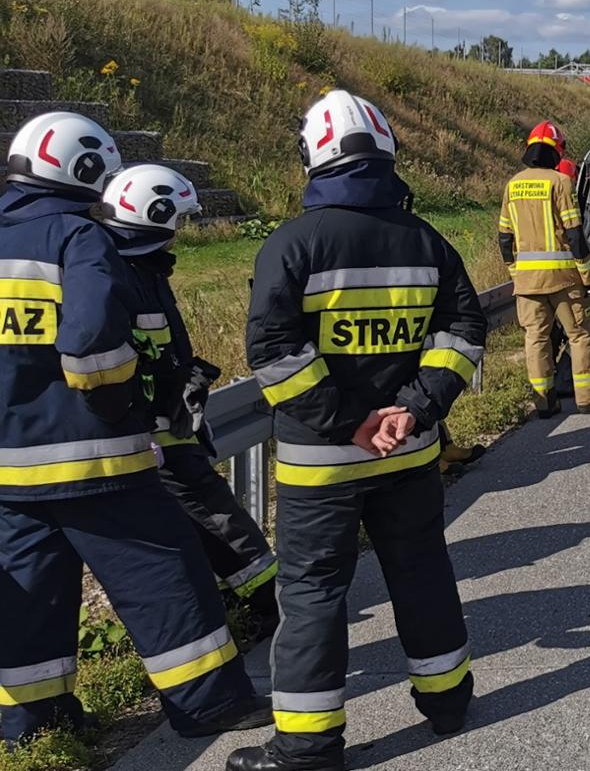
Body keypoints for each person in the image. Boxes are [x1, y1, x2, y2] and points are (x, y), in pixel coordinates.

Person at [227, 90, 486, 771]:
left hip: (322, 463)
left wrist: (351, 422)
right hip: (408, 451)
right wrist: (416, 408)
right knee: (423, 569)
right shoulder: (428, 241)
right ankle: (448, 700)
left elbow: (275, 352)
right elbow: (462, 332)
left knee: (314, 594)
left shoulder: (293, 244)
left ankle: (309, 747)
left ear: (313, 156)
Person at [0, 113, 269, 746]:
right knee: (167, 573)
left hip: (8, 470)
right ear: (84, 169)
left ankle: (32, 724)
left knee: (30, 595)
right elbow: (93, 348)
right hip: (95, 461)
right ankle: (208, 704)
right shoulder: (78, 239)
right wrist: (120, 405)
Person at [100, 164, 280, 630]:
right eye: (175, 220)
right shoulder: (116, 272)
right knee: (214, 512)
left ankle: (237, 605)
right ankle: (272, 603)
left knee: (206, 514)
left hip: (170, 417)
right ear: (153, 213)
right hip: (150, 427)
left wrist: (187, 375)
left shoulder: (143, 268)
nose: (179, 232)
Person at [498, 121, 590, 418]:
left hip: (527, 282)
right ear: (557, 151)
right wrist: (587, 272)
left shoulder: (512, 185)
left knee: (536, 338)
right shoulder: (560, 183)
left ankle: (544, 403)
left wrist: (516, 272)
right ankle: (589, 398)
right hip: (564, 279)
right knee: (580, 335)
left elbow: (504, 237)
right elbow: (575, 234)